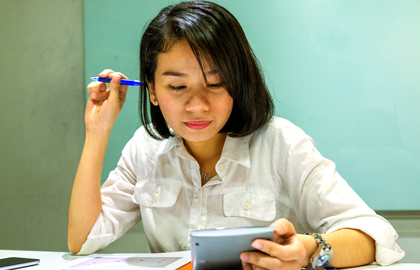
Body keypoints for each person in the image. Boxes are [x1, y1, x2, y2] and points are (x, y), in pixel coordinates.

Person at [68, 1, 405, 269]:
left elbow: (373, 235)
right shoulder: (145, 147)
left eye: (215, 84)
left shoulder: (282, 143)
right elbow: (83, 240)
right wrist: (97, 132)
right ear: (152, 90)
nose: (197, 105)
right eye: (176, 86)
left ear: (238, 83)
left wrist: (308, 250)